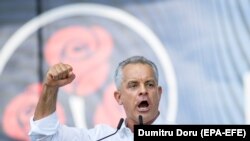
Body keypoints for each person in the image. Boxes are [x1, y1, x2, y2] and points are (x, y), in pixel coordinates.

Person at [29, 55, 163, 141]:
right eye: (133, 85)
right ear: (119, 97)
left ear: (159, 93)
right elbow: (45, 137)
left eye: (149, 84)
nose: (143, 91)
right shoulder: (101, 137)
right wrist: (50, 88)